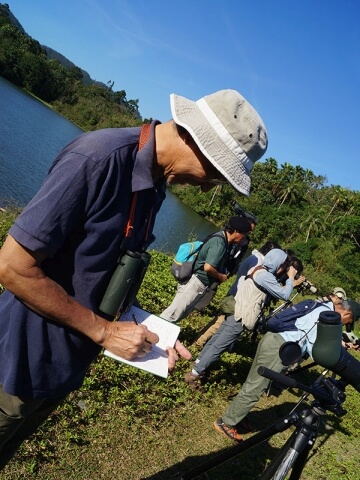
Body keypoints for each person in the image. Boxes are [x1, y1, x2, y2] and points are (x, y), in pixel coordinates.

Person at [0, 88, 268, 468]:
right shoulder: (97, 159)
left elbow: (98, 274)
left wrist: (149, 330)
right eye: (215, 173)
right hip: (16, 363)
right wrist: (105, 333)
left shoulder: (154, 185)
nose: (209, 187)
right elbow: (12, 267)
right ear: (192, 139)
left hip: (60, 369)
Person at [213, 299, 356, 442]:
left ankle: (238, 416)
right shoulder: (324, 315)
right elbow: (315, 349)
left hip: (274, 341)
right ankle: (226, 423)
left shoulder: (320, 307)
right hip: (279, 349)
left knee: (253, 382)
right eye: (348, 322)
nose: (344, 325)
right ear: (347, 313)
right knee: (256, 386)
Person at [185, 249, 305, 386]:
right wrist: (290, 278)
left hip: (236, 312)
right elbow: (284, 295)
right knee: (218, 347)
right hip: (241, 317)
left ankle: (198, 364)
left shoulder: (260, 269)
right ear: (277, 263)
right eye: (283, 265)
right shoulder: (266, 277)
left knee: (215, 341)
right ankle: (194, 375)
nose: (283, 269)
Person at [160, 216, 252, 322]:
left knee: (176, 315)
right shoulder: (219, 243)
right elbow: (208, 267)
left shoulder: (223, 240)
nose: (244, 238)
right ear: (236, 231)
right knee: (171, 315)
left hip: (198, 285)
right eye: (244, 234)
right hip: (195, 284)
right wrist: (221, 276)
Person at [194, 240, 281, 347]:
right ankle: (198, 343)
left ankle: (198, 339)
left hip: (235, 294)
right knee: (218, 324)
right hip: (237, 298)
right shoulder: (258, 263)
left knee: (218, 321)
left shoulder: (255, 257)